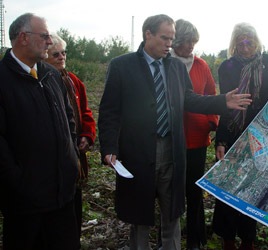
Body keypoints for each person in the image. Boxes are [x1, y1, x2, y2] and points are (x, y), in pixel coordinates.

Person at [98, 14, 252, 250]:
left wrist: (222, 101)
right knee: (139, 211)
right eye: (164, 38)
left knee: (172, 209)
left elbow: (190, 100)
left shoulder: (176, 67)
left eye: (171, 38)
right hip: (138, 151)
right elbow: (109, 112)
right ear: (148, 34)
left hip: (172, 150)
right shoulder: (122, 66)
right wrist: (109, 147)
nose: (169, 43)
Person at [0, 13, 79, 249]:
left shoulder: (51, 74)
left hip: (63, 195)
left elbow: (69, 119)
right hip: (25, 202)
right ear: (23, 38)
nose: (49, 41)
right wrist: (19, 182)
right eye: (44, 36)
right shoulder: (3, 79)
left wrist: (71, 157)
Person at [213, 23, 268, 250]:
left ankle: (248, 240)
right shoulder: (227, 66)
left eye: (249, 42)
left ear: (256, 42)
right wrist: (221, 141)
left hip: (259, 133)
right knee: (228, 185)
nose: (244, 47)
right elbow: (227, 104)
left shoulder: (266, 63)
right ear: (234, 43)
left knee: (253, 186)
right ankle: (228, 238)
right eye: (240, 43)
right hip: (233, 133)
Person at [170, 19, 219, 250]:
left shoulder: (200, 65)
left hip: (197, 137)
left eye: (193, 41)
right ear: (175, 41)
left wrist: (211, 121)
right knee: (170, 189)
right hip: (169, 137)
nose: (190, 46)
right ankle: (169, 237)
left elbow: (211, 93)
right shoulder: (165, 63)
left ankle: (195, 239)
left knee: (194, 190)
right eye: (186, 41)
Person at [44, 33, 96, 248]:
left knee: (74, 202)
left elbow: (85, 112)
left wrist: (86, 135)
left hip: (74, 156)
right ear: (44, 56)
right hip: (51, 160)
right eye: (55, 54)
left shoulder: (73, 80)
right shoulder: (42, 81)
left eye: (64, 52)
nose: (61, 57)